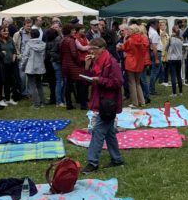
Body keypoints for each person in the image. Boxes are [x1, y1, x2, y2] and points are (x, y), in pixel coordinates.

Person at [82, 38, 125, 172]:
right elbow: (89, 80)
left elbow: (118, 82)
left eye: (93, 49)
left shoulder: (111, 62)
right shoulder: (97, 61)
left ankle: (93, 162)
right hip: (101, 101)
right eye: (90, 49)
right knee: (109, 132)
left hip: (109, 103)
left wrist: (100, 80)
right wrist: (87, 66)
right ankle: (117, 159)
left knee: (98, 132)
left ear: (102, 48)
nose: (91, 51)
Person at [121, 24, 148, 108]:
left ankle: (135, 103)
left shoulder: (130, 40)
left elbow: (124, 48)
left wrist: (124, 40)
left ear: (133, 31)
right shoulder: (143, 38)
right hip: (139, 62)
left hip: (131, 62)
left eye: (129, 30)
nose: (127, 31)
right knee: (138, 83)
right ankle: (142, 101)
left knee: (131, 83)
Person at [60, 24, 85, 110]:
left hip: (65, 65)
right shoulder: (71, 40)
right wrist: (79, 63)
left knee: (68, 84)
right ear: (69, 31)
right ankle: (83, 105)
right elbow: (74, 54)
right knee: (81, 84)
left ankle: (69, 104)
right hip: (73, 65)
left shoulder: (63, 40)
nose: (74, 31)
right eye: (73, 30)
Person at [20, 28, 47, 108]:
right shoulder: (42, 44)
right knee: (39, 84)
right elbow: (44, 56)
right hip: (39, 67)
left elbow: (25, 56)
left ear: (31, 35)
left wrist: (22, 66)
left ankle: (36, 104)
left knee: (32, 85)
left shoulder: (28, 44)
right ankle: (42, 102)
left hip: (30, 67)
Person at [0, 26, 19, 106]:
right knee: (1, 82)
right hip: (1, 65)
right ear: (0, 32)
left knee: (9, 82)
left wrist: (14, 56)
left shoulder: (10, 40)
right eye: (4, 31)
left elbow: (14, 50)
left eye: (7, 31)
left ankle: (8, 98)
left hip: (10, 64)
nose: (6, 32)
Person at [166, 24, 184, 97]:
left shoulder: (171, 38)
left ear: (172, 31)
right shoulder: (181, 39)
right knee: (179, 75)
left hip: (172, 58)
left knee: (173, 76)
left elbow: (166, 47)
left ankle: (174, 93)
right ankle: (180, 92)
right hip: (179, 58)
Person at [147, 19, 162, 95]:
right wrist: (156, 59)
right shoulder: (154, 33)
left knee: (159, 70)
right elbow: (154, 47)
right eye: (158, 23)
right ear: (153, 24)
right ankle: (151, 89)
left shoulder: (150, 31)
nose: (159, 24)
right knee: (155, 72)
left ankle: (150, 87)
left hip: (153, 53)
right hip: (156, 53)